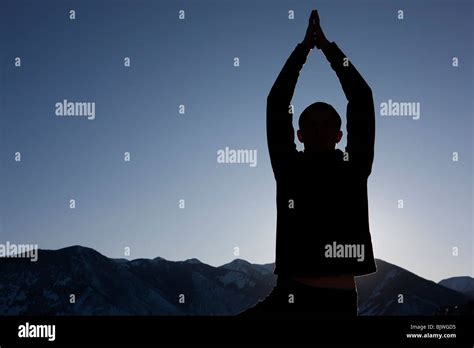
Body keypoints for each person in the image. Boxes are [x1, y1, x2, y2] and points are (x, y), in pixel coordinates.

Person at [239, 9, 377, 318]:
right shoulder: (289, 168)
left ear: (340, 134)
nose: (318, 130)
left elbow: (361, 99)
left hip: (337, 304)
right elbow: (276, 104)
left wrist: (328, 48)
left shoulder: (354, 166)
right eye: (311, 125)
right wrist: (302, 51)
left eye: (326, 124)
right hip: (289, 297)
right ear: (298, 134)